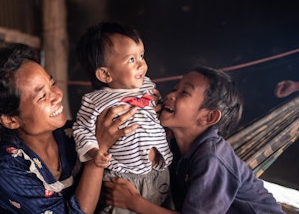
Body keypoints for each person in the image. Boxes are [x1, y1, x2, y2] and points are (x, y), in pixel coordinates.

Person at [0, 43, 139, 213]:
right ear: (10, 120)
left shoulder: (73, 134)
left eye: (52, 84)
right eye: (42, 96)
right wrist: (97, 154)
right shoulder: (6, 169)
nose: (57, 95)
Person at [104, 66, 285, 214]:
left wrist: (135, 203)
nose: (171, 95)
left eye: (184, 93)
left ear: (208, 118)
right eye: (175, 88)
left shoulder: (212, 157)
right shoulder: (174, 144)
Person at [72, 21, 173, 213]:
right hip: (123, 179)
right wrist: (95, 153)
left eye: (141, 56)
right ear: (105, 74)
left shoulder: (147, 86)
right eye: (131, 60)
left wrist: (156, 101)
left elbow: (155, 105)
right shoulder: (95, 101)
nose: (142, 64)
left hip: (159, 172)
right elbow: (81, 130)